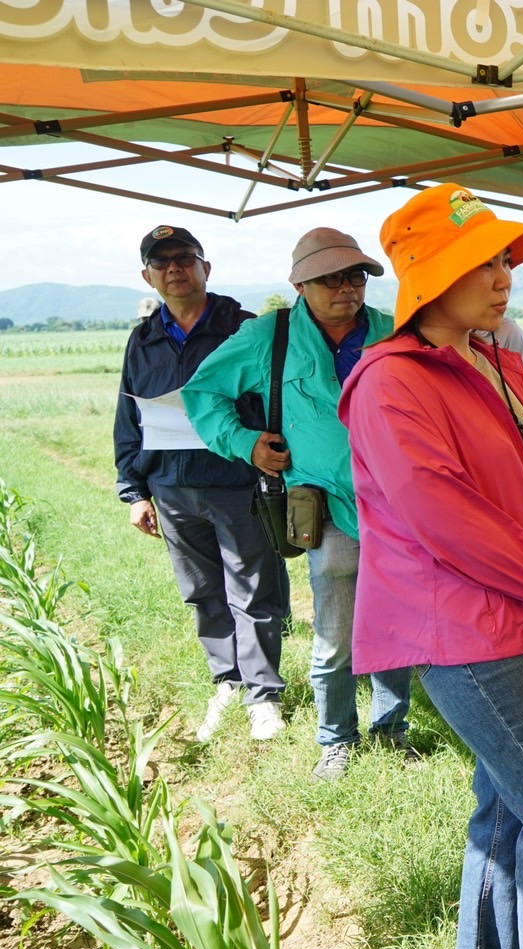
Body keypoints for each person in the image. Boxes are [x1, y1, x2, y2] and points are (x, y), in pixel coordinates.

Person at [340, 183, 523, 949]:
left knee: (506, 811)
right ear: (430, 276)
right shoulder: (392, 381)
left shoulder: (497, 361)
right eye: (481, 262)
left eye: (503, 261)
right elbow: (443, 515)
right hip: (463, 630)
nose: (504, 278)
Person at [183, 227, 416, 782]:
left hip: (397, 506)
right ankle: (336, 739)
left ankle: (391, 730)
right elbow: (203, 391)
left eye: (356, 276)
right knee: (334, 633)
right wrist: (246, 443)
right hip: (326, 504)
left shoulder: (393, 332)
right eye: (331, 278)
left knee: (396, 624)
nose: (347, 288)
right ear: (300, 285)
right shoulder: (271, 335)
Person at [114, 225, 288, 744]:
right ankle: (227, 681)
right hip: (170, 486)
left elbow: (273, 401)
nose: (174, 268)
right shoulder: (143, 339)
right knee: (203, 592)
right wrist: (133, 490)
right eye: (161, 261)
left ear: (205, 268)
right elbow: (129, 416)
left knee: (252, 589)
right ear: (147, 275)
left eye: (185, 258)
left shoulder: (243, 329)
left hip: (236, 480)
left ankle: (264, 695)